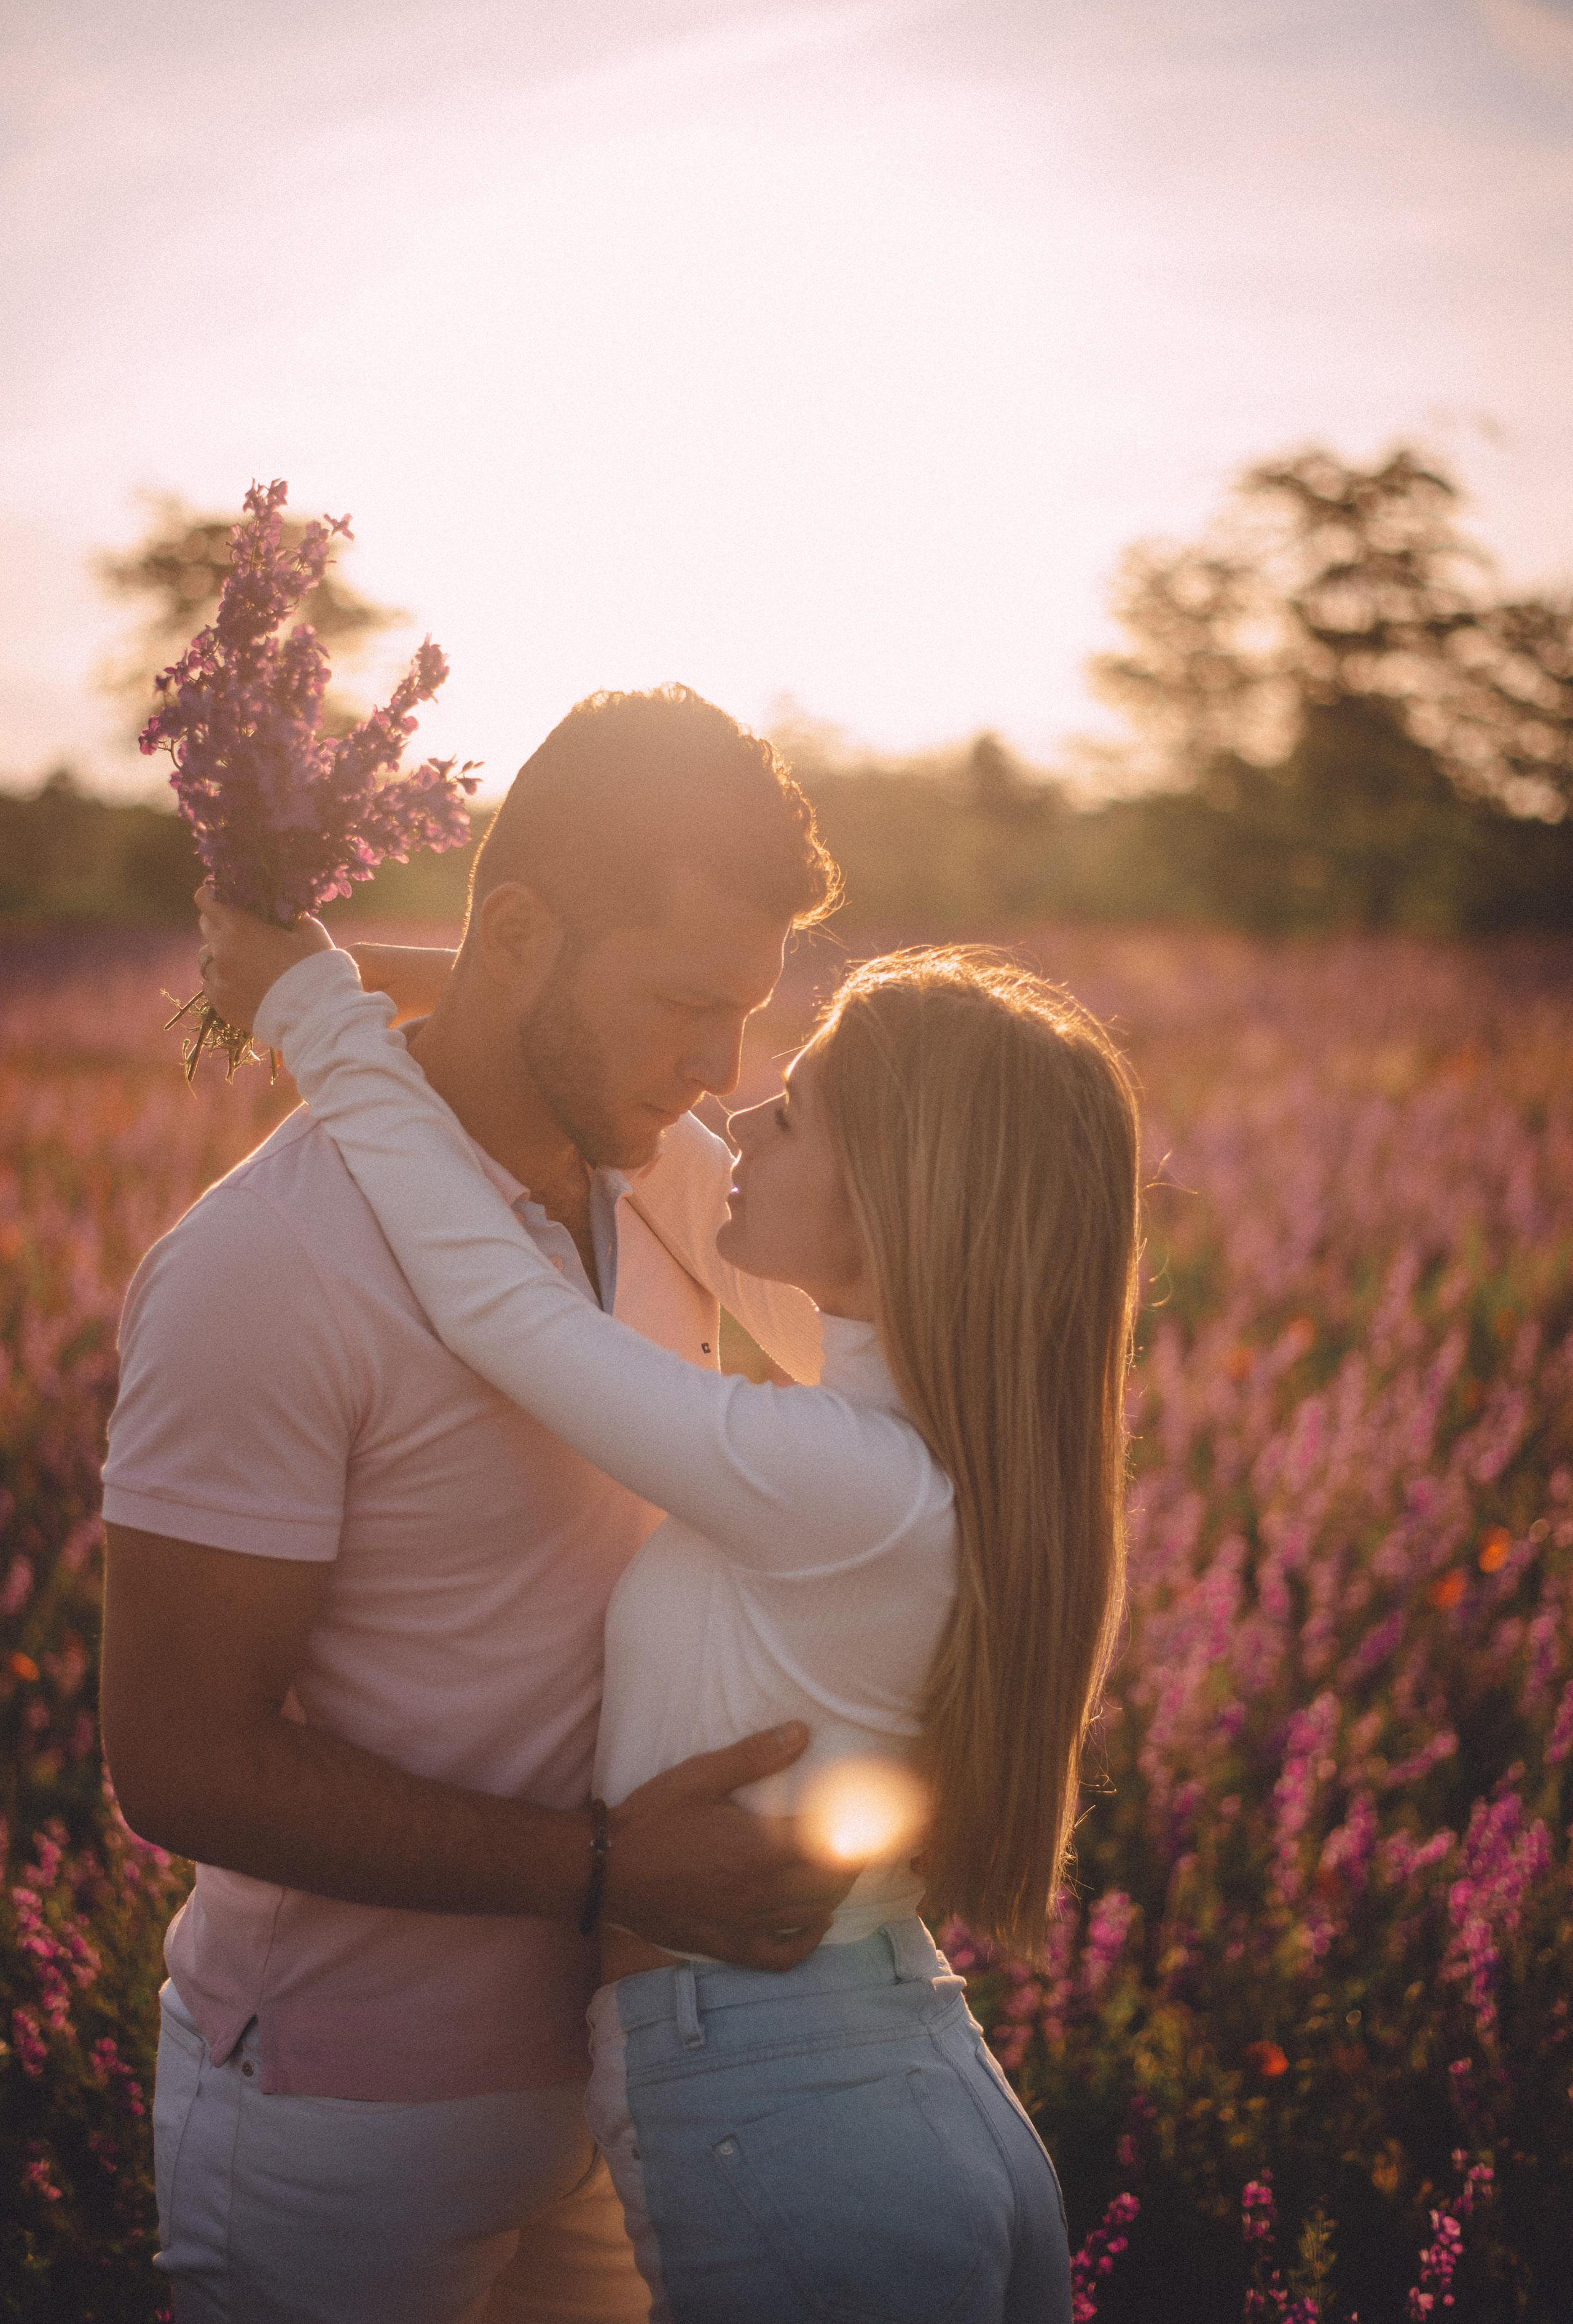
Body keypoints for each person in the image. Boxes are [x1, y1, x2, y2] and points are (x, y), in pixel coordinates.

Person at [196, 878, 1143, 2324]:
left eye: (796, 1108)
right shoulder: (935, 1438)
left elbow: (502, 1309)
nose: (733, 1112)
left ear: (899, 1203)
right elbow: (647, 1126)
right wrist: (363, 970)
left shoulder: (843, 1481)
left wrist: (320, 1017)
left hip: (796, 2115)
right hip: (884, 2078)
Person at [99, 686, 864, 2324]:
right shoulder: (261, 1270)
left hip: (620, 2083)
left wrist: (317, 976)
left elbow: (510, 997)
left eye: (743, 1015)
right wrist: (604, 1869)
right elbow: (177, 1756)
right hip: (336, 2122)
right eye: (680, 1000)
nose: (719, 1070)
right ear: (514, 930)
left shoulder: (665, 1175)